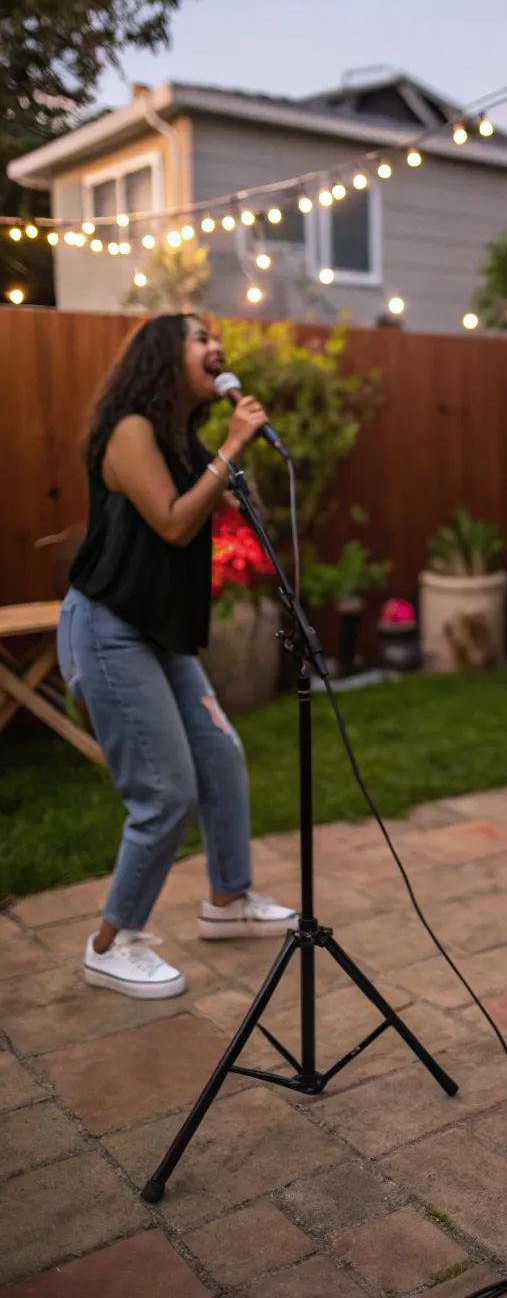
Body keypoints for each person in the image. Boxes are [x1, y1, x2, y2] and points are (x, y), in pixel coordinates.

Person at [57, 313, 296, 1000]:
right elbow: (170, 518)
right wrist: (235, 444)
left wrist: (225, 460)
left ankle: (227, 900)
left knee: (221, 757)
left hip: (156, 632)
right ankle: (111, 942)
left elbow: (192, 513)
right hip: (109, 629)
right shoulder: (131, 429)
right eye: (200, 338)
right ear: (165, 356)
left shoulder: (180, 441)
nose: (216, 348)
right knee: (165, 792)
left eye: (216, 338)